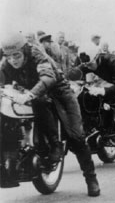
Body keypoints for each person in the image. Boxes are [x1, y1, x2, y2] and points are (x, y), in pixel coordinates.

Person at [0, 33, 100, 196]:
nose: (13, 60)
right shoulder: (6, 63)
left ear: (24, 51)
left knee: (76, 136)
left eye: (16, 55)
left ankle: (91, 178)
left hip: (59, 90)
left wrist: (30, 94)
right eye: (9, 57)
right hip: (35, 94)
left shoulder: (36, 54)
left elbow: (48, 76)